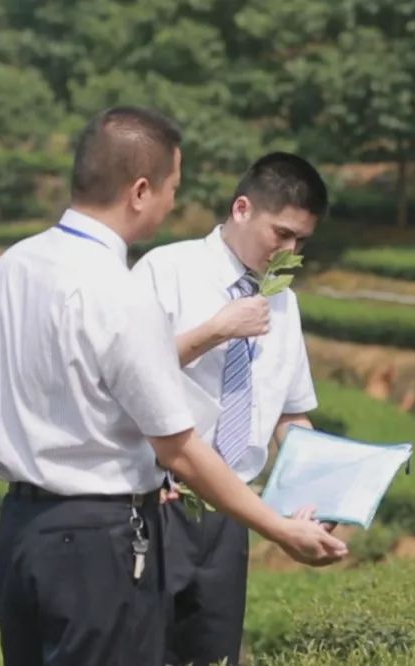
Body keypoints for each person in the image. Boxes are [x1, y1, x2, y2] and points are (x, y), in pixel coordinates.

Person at [0, 108, 346, 666]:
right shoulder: (126, 289)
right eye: (172, 188)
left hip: (25, 528)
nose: (174, 204)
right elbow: (176, 446)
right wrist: (278, 528)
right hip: (104, 534)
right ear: (140, 191)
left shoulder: (14, 264)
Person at [132, 151, 328, 666]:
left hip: (230, 513)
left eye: (301, 242)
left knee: (214, 656)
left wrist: (318, 488)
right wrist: (214, 331)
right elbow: (125, 375)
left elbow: (290, 413)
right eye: (281, 234)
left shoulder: (282, 300)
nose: (289, 251)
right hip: (159, 504)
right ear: (242, 208)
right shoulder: (166, 270)